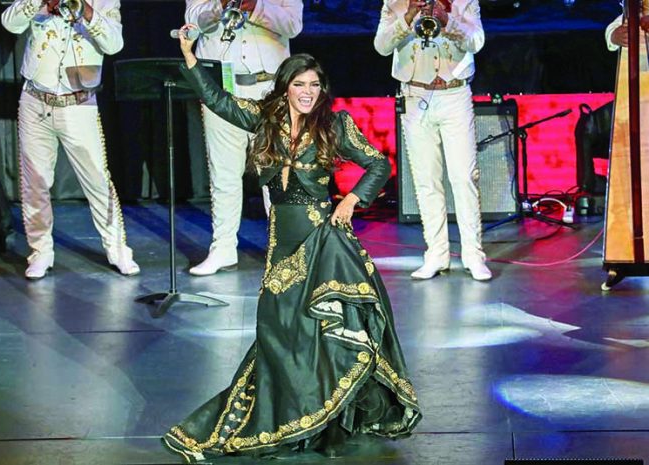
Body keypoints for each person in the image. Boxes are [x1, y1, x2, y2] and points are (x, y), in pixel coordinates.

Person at [162, 27, 421, 464]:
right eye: (300, 84)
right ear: (285, 87)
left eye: (314, 85)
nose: (307, 92)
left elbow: (378, 163)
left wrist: (352, 200)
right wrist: (189, 56)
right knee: (279, 329)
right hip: (281, 241)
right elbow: (218, 100)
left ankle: (327, 419)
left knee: (322, 330)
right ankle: (289, 411)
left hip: (322, 238)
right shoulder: (265, 120)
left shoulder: (334, 125)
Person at [1, 0, 139, 279]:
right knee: (35, 181)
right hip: (35, 98)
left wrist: (86, 10)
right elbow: (9, 23)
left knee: (97, 180)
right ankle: (40, 251)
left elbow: (114, 44)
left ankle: (118, 250)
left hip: (79, 102)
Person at [374, 0, 492, 281]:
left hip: (455, 94)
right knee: (426, 179)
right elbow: (381, 46)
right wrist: (408, 17)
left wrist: (447, 20)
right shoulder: (395, 2)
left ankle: (473, 255)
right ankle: (436, 253)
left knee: (463, 177)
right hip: (415, 96)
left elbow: (476, 42)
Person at [184, 0, 303, 276]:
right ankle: (223, 249)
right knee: (223, 174)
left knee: (276, 175)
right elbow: (192, 21)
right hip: (221, 87)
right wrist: (219, 6)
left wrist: (255, 7)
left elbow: (293, 25)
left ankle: (283, 251)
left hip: (270, 88)